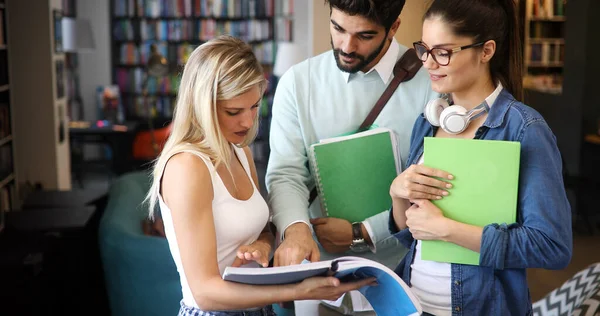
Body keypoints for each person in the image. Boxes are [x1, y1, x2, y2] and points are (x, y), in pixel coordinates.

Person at [145, 36, 375, 316]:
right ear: (201, 106)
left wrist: (262, 246)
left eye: (254, 106)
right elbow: (204, 293)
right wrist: (297, 291)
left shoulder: (237, 149)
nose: (248, 121)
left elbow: (263, 227)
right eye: (233, 111)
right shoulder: (188, 167)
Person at [388, 0, 573, 315]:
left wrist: (447, 230)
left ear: (486, 51)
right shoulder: (429, 121)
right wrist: (397, 194)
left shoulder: (524, 129)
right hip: (414, 304)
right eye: (424, 49)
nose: (429, 63)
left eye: (443, 52)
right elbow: (414, 235)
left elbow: (552, 247)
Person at [266, 0, 438, 313]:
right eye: (338, 28)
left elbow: (437, 183)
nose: (347, 45)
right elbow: (286, 172)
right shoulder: (297, 82)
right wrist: (296, 228)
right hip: (318, 276)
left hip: (404, 276)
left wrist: (365, 232)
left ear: (394, 28)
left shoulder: (433, 83)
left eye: (365, 35)